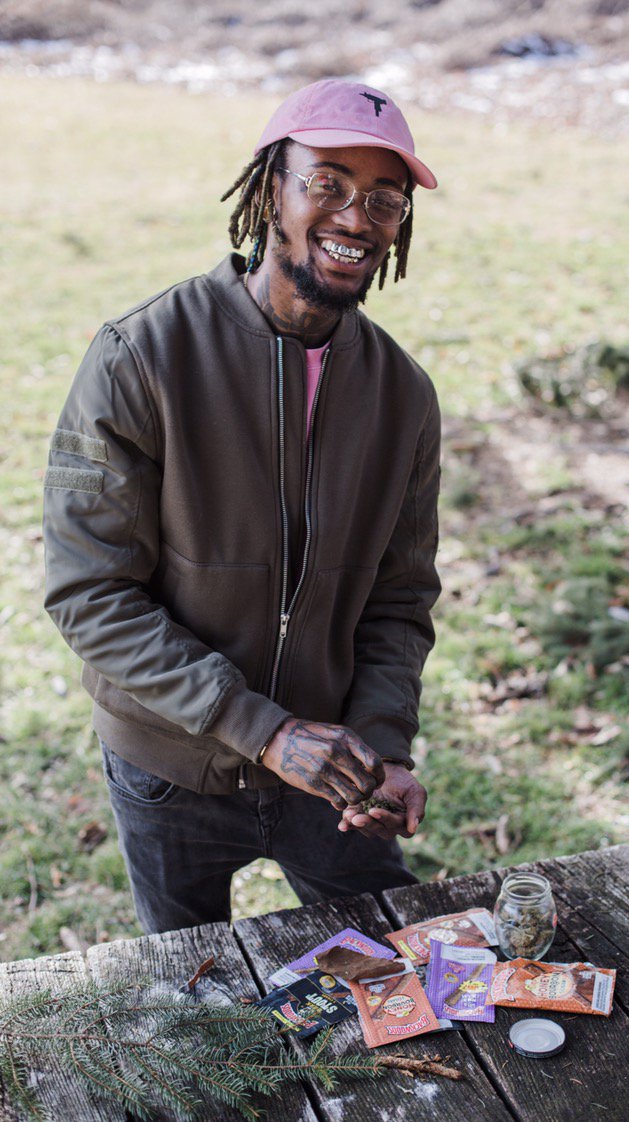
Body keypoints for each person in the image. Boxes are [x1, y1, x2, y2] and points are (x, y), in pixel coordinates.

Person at [42, 78, 441, 934]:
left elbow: (400, 602)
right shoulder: (139, 357)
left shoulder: (404, 396)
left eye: (384, 200)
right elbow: (89, 595)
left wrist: (383, 744)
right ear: (270, 189)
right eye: (326, 183)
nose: (355, 218)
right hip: (169, 766)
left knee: (398, 984)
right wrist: (257, 729)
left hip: (334, 779)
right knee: (191, 1008)